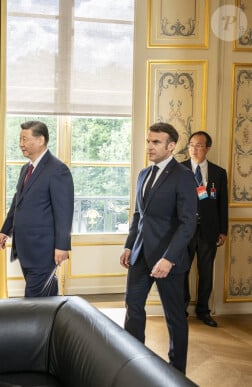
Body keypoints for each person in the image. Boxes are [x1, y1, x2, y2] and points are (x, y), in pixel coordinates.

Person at [120, 122, 197, 374]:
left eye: (156, 142)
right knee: (133, 307)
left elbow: (187, 224)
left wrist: (169, 258)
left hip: (168, 261)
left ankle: (177, 371)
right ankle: (134, 363)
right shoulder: (144, 173)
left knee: (174, 318)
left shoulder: (184, 176)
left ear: (171, 146)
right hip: (140, 256)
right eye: (148, 141)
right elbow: (138, 216)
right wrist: (129, 246)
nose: (150, 146)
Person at [0, 121, 74, 297]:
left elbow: (64, 212)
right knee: (46, 297)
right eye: (20, 139)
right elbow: (18, 202)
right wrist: (5, 231)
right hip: (25, 247)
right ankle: (55, 324)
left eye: (25, 139)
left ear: (40, 140)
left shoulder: (58, 170)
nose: (20, 144)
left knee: (33, 300)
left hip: (44, 249)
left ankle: (37, 325)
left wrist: (62, 246)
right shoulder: (26, 169)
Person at [182, 131, 228, 327]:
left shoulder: (218, 172)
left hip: (209, 230)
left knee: (206, 272)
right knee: (181, 270)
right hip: (184, 230)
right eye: (191, 144)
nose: (194, 149)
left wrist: (223, 230)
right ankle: (181, 308)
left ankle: (203, 311)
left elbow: (222, 203)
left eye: (199, 145)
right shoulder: (179, 169)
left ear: (207, 148)